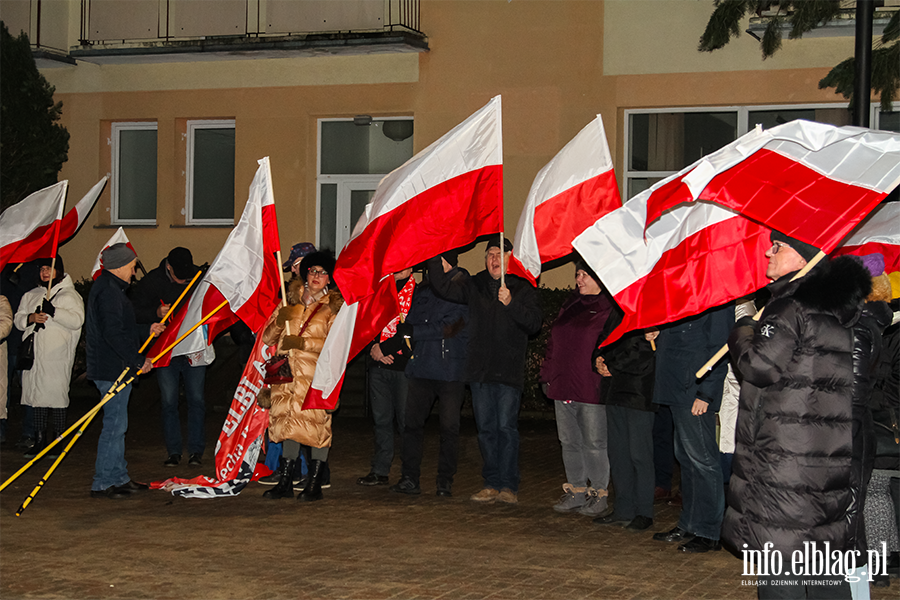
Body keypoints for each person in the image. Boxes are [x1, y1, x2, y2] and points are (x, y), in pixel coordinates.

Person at [724, 232, 891, 598]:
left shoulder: (791, 308)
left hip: (785, 463)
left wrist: (742, 330)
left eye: (778, 246)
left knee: (780, 567)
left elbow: (758, 367)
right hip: (820, 459)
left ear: (802, 259)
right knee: (821, 565)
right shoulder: (836, 312)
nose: (769, 251)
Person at [428, 236, 542, 504]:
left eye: (500, 254)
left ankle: (508, 485)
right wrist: (433, 254)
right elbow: (444, 288)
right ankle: (491, 482)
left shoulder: (522, 287)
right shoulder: (475, 284)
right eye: (490, 254)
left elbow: (534, 323)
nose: (494, 259)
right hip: (479, 371)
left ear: (510, 259)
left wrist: (511, 302)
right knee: (486, 429)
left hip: (507, 371)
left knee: (506, 428)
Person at [259, 251, 343, 501]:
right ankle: (285, 481)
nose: (317, 276)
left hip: (316, 375)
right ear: (305, 274)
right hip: (287, 376)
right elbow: (267, 337)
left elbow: (337, 344)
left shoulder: (333, 306)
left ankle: (315, 484)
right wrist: (279, 321)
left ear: (329, 279)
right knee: (287, 425)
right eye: (313, 271)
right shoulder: (288, 301)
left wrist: (304, 345)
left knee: (316, 427)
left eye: (322, 272)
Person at [650, 303, 733, 552]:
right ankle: (690, 524)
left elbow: (720, 349)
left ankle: (710, 531)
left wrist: (706, 394)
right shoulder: (683, 298)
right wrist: (658, 333)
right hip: (677, 388)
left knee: (704, 461)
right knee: (686, 459)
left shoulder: (716, 300)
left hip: (693, 391)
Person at [86, 243, 164, 499]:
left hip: (116, 366)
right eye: (132, 267)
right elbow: (112, 333)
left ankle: (118, 477)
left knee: (118, 424)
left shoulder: (112, 289)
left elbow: (123, 328)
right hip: (112, 369)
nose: (134, 272)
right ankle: (103, 482)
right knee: (114, 426)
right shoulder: (108, 292)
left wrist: (146, 331)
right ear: (119, 266)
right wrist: (137, 360)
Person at [390, 253, 469, 497]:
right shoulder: (424, 289)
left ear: (450, 263)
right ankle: (409, 477)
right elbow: (411, 320)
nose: (433, 266)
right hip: (422, 367)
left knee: (449, 428)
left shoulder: (462, 288)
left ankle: (444, 481)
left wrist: (414, 330)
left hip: (449, 371)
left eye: (439, 261)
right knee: (411, 425)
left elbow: (450, 327)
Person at [540, 259, 613, 515]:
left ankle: (599, 492)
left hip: (589, 387)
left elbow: (611, 346)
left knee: (594, 442)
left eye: (584, 275)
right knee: (569, 441)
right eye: (578, 274)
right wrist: (547, 375)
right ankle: (577, 489)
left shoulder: (608, 309)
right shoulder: (570, 305)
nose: (579, 279)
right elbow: (554, 343)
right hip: (562, 385)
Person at [130, 247, 206, 467]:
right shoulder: (152, 282)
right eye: (178, 276)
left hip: (193, 348)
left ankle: (196, 451)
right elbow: (132, 311)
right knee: (169, 401)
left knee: (197, 400)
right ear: (168, 266)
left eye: (186, 275)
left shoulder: (198, 278)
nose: (183, 280)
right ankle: (173, 451)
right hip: (165, 351)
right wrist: (155, 313)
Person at [591, 305, 657, 530]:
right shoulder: (619, 307)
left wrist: (612, 365)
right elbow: (604, 338)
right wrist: (598, 358)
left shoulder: (650, 306)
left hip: (638, 392)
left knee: (640, 453)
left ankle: (644, 511)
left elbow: (643, 349)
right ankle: (623, 508)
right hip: (614, 390)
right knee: (618, 453)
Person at [15, 256, 83, 458]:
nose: (45, 272)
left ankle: (58, 440)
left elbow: (77, 320)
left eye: (49, 268)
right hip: (35, 355)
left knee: (57, 397)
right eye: (42, 269)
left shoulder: (69, 296)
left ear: (59, 271)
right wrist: (30, 318)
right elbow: (18, 319)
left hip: (56, 356)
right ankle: (39, 440)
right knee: (38, 399)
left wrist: (54, 311)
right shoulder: (32, 294)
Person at [357, 268, 416, 487]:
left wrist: (384, 348)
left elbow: (409, 329)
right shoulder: (380, 290)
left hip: (404, 367)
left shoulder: (417, 293)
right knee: (381, 420)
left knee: (405, 421)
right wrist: (374, 347)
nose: (399, 268)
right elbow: (367, 322)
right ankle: (380, 469)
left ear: (411, 267)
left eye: (404, 263)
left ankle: (409, 474)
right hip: (378, 364)